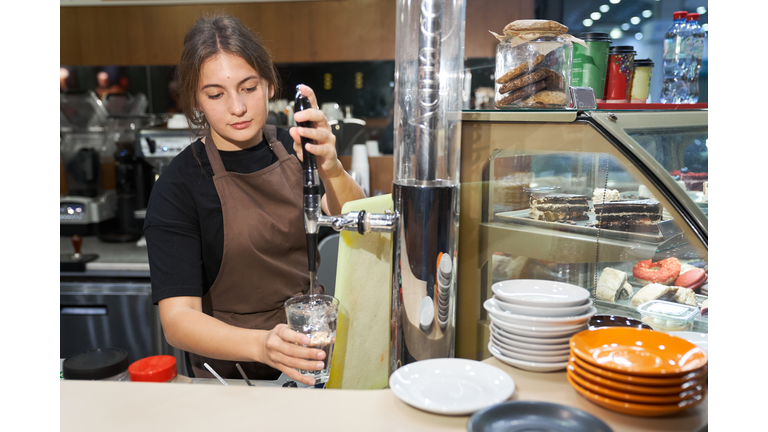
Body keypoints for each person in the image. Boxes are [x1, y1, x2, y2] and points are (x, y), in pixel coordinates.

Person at [143, 13, 365, 386]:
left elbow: (355, 221)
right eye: (216, 94)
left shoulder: (296, 146)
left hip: (317, 358)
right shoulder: (179, 186)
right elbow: (178, 321)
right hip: (233, 380)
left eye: (248, 87)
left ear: (269, 84)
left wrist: (332, 168)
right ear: (196, 101)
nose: (237, 107)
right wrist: (263, 345)